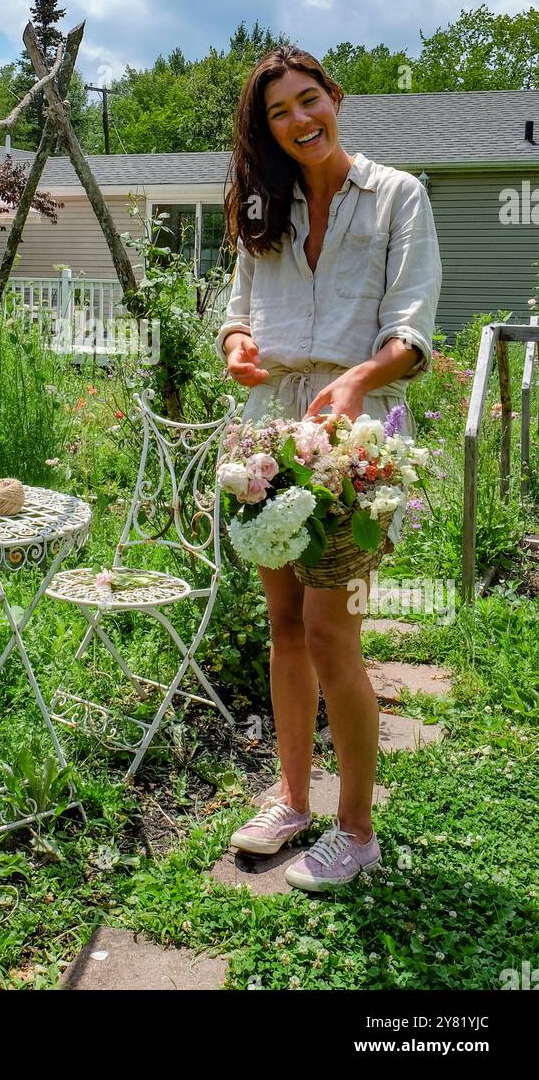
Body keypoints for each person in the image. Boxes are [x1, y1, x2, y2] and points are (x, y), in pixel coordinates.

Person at [216, 44, 442, 891]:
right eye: (279, 111)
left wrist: (356, 379)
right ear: (266, 127)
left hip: (355, 443)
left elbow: (412, 330)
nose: (299, 120)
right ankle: (291, 799)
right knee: (282, 626)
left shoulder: (395, 197)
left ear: (335, 97)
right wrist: (240, 347)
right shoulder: (261, 207)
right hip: (267, 436)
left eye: (308, 100)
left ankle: (356, 829)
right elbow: (236, 315)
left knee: (329, 628)